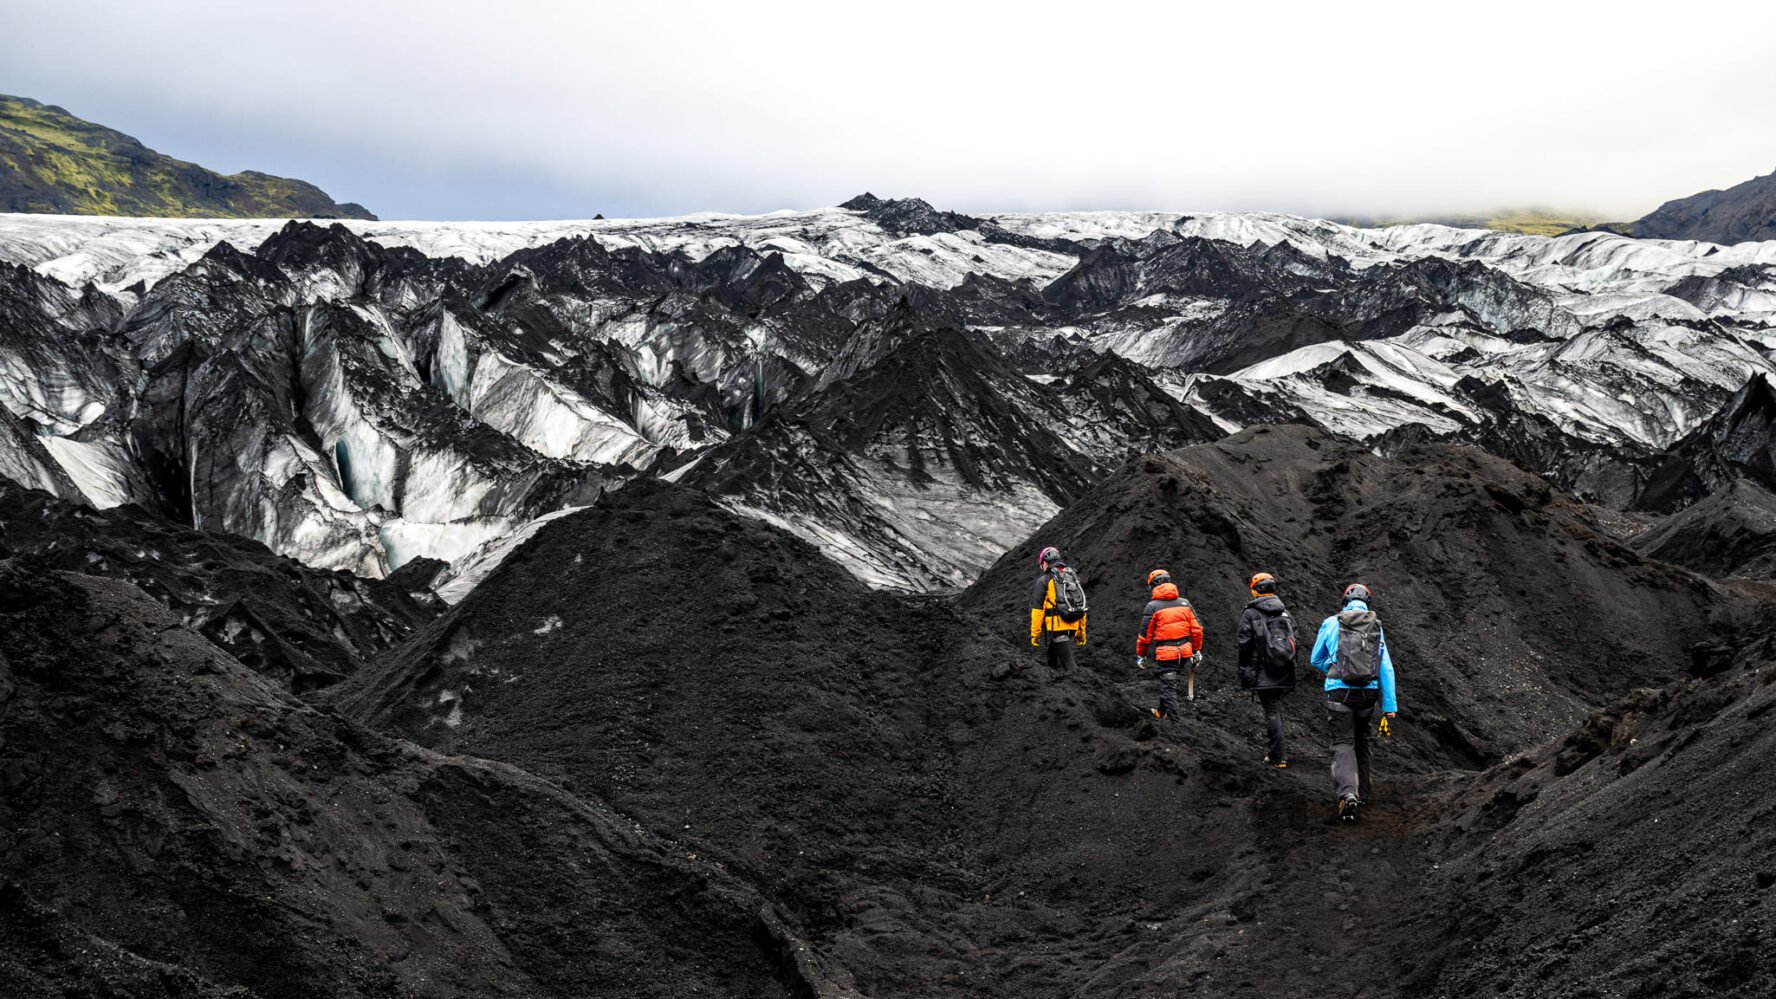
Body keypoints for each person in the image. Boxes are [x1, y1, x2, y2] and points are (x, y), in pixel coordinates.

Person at [1309, 583, 1399, 822]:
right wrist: (1389, 706)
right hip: (1368, 694)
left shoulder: (1331, 623)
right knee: (1361, 739)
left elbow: (1315, 659)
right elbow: (1386, 668)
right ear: (1367, 602)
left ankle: (1347, 793)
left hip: (1340, 692)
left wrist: (1333, 670)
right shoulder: (1375, 626)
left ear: (1344, 601)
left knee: (1343, 742)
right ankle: (1364, 793)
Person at [1237, 572, 1297, 768]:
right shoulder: (1285, 612)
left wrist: (1245, 668)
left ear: (1255, 590)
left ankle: (1277, 756)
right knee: (1275, 709)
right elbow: (1296, 637)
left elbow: (1243, 643)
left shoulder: (1251, 613)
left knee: (1271, 711)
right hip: (1283, 668)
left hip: (1262, 671)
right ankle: (1276, 752)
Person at [1134, 568, 1203, 719]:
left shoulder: (1152, 607)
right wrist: (1196, 651)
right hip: (1184, 652)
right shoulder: (1185, 603)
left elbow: (1145, 637)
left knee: (1168, 688)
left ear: (1154, 585)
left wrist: (1141, 655)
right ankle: (1161, 711)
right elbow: (1197, 630)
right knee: (1167, 683)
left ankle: (1176, 724)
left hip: (1167, 654)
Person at [1030, 546, 1087, 672]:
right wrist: (1080, 632)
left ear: (1045, 563)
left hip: (1057, 627)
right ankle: (1053, 679)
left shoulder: (1045, 580)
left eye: (1042, 565)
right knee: (1052, 654)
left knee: (1070, 666)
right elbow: (1080, 604)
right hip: (1073, 623)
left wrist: (1035, 634)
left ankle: (1076, 686)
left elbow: (1037, 611)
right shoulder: (1071, 576)